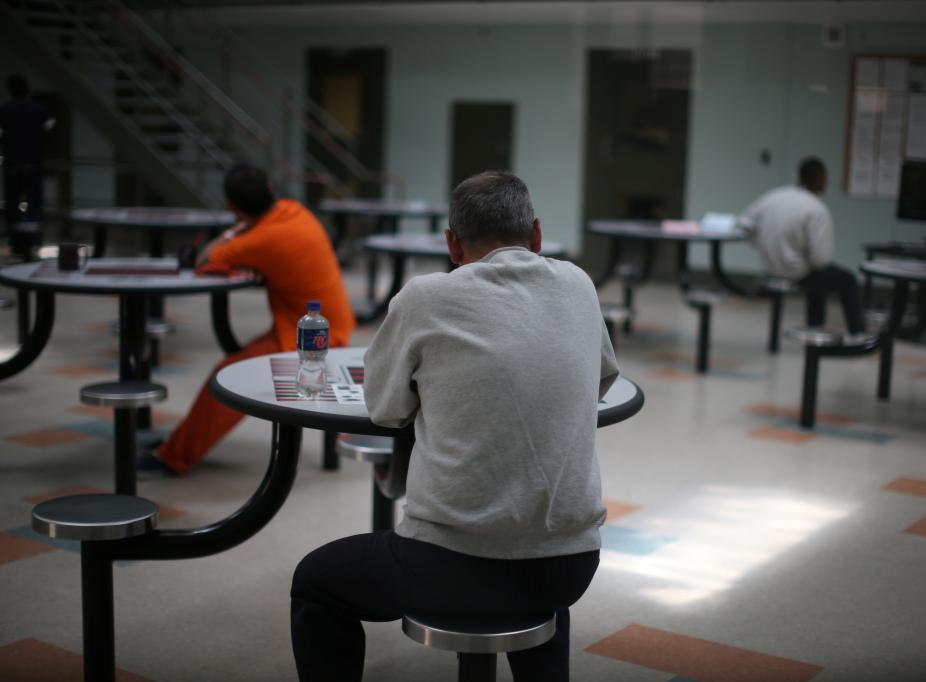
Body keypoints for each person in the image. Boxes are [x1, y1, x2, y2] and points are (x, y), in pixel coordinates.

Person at [290, 171, 619, 681]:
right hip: (571, 565)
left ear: (452, 244)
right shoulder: (579, 285)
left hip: (448, 565)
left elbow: (385, 409)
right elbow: (600, 382)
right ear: (535, 235)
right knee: (536, 591)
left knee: (315, 580)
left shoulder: (424, 298)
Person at [147, 163, 357, 475]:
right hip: (325, 321)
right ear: (272, 189)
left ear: (233, 207)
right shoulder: (294, 210)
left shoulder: (257, 241)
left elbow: (204, 259)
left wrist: (234, 229)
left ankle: (173, 458)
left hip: (312, 337)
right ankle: (178, 447)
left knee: (228, 377)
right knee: (233, 367)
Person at [739, 157, 867, 338]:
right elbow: (820, 260)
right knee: (846, 280)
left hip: (769, 267)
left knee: (820, 277)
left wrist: (759, 244)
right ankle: (858, 333)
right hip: (795, 272)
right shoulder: (816, 209)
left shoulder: (775, 196)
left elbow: (743, 224)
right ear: (819, 178)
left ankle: (816, 324)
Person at [0, 74, 55, 260]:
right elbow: (50, 127)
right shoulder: (37, 109)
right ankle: (34, 242)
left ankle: (15, 243)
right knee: (34, 206)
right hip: (33, 163)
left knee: (12, 206)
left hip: (12, 164)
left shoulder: (5, 110)